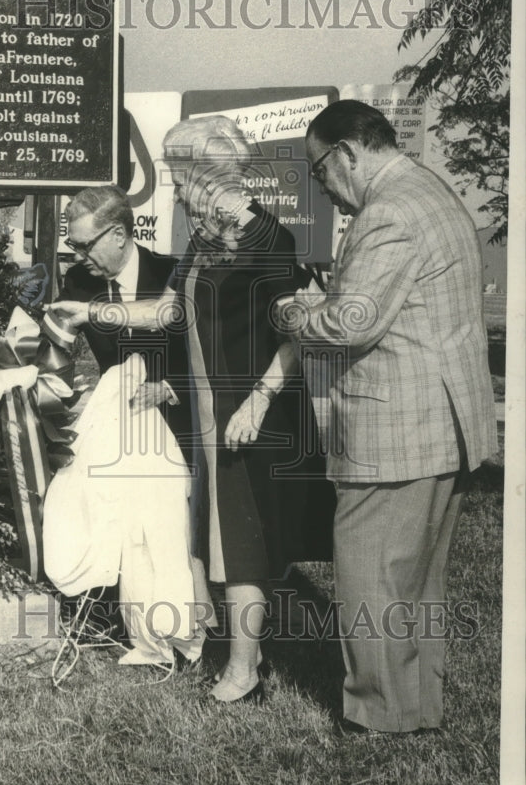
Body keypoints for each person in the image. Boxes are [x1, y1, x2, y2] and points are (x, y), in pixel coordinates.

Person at [56, 116, 334, 703]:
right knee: (219, 538)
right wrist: (90, 314)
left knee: (243, 547)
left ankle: (244, 670)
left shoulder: (269, 239)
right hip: (210, 413)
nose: (176, 192)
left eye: (182, 179)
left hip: (246, 414)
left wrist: (256, 405)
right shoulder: (205, 246)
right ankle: (235, 656)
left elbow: (296, 335)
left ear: (210, 176)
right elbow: (165, 314)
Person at [278, 99, 498, 733]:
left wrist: (295, 313)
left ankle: (377, 714)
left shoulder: (387, 212)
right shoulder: (429, 188)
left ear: (346, 153)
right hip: (443, 420)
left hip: (394, 426)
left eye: (319, 173)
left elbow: (353, 325)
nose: (323, 190)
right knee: (417, 580)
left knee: (370, 572)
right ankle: (416, 705)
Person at [60, 185, 191, 460]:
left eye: (85, 246)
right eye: (73, 245)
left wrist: (168, 388)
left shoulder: (171, 274)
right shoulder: (77, 282)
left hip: (177, 436)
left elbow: (207, 354)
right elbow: (51, 349)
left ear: (118, 234)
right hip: (114, 438)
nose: (77, 256)